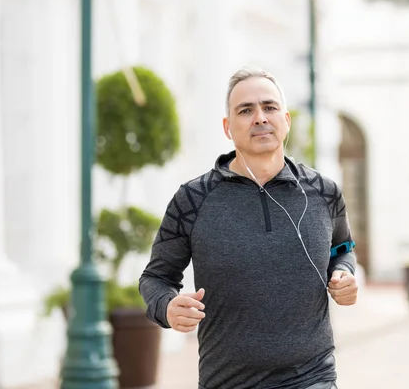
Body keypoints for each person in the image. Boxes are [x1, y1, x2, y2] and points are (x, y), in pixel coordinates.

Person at [139, 67, 359, 389]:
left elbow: (342, 249)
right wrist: (167, 307)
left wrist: (344, 273)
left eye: (269, 107)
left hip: (314, 378)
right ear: (228, 127)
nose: (260, 117)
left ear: (286, 119)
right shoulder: (193, 199)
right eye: (246, 110)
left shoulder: (324, 192)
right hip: (227, 381)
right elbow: (156, 278)